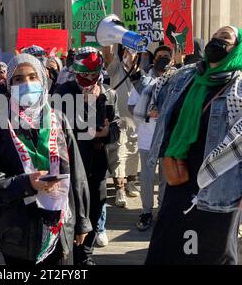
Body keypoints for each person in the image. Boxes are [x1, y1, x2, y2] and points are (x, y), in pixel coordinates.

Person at [0, 53, 92, 266]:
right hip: (17, 234)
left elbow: (77, 174)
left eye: (33, 77)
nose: (27, 84)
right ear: (9, 84)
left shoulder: (58, 119)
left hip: (59, 227)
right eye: (19, 79)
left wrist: (81, 221)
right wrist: (25, 184)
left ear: (43, 80)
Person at [146, 26, 242, 265]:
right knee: (167, 247)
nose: (216, 41)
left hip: (219, 184)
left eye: (225, 39)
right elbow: (158, 104)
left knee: (212, 252)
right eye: (215, 37)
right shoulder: (186, 76)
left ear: (237, 48)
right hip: (179, 177)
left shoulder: (239, 87)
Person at [55, 47, 121, 265]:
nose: (90, 79)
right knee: (71, 212)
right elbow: (53, 126)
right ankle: (67, 252)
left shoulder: (109, 93)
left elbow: (117, 125)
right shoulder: (62, 91)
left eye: (94, 74)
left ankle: (86, 256)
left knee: (94, 211)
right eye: (85, 74)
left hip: (98, 164)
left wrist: (107, 132)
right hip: (71, 165)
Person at [127, 46, 175, 231]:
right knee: (146, 178)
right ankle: (146, 211)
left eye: (166, 56)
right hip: (147, 139)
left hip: (168, 139)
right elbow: (132, 107)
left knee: (165, 177)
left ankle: (162, 210)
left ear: (171, 60)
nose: (162, 59)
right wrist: (147, 112)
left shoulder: (179, 79)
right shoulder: (142, 81)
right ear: (153, 59)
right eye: (159, 56)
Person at [103, 45, 141, 208]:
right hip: (118, 118)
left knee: (133, 151)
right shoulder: (115, 67)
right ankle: (119, 188)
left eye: (133, 51)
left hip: (136, 120)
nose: (129, 54)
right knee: (119, 153)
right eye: (126, 51)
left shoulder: (140, 71)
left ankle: (131, 182)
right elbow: (107, 55)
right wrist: (108, 40)